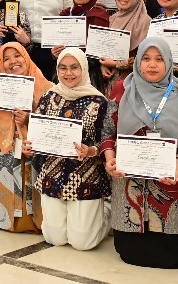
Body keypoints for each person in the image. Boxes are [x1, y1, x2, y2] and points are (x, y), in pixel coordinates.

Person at [103, 37, 178, 269]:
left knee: (172, 256)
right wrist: (110, 159)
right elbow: (108, 131)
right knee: (129, 252)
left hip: (169, 184)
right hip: (128, 182)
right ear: (138, 61)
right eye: (146, 58)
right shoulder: (122, 89)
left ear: (168, 62)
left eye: (159, 59)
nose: (152, 64)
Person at [22, 48, 112, 250]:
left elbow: (108, 141)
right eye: (63, 68)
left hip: (86, 176)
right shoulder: (48, 97)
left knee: (83, 243)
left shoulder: (99, 102)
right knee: (55, 238)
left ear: (84, 69)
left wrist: (91, 151)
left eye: (74, 68)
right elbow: (37, 135)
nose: (68, 73)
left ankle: (106, 210)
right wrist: (30, 147)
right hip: (53, 174)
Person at [0, 43, 52, 233]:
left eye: (17, 56)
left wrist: (29, 120)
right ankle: (0, 218)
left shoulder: (48, 89)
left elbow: (54, 127)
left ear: (26, 57)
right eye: (6, 59)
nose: (12, 62)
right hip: (4, 149)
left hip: (33, 149)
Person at [49, 0, 111, 86]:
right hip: (63, 73)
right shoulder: (65, 14)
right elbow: (56, 45)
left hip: (88, 75)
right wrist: (55, 53)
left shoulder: (99, 16)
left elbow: (99, 53)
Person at [97, 0, 150, 92]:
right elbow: (106, 50)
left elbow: (146, 59)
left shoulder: (147, 23)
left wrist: (116, 64)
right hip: (110, 84)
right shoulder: (112, 19)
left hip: (134, 86)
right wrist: (103, 65)